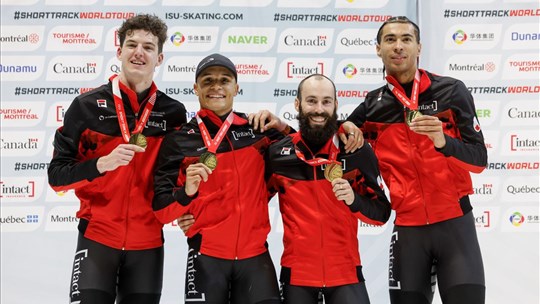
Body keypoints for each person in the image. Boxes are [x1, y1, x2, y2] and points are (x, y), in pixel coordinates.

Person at [347, 16, 487, 304]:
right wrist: (343, 127)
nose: (398, 46)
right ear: (378, 49)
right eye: (390, 40)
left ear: (419, 47)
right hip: (409, 231)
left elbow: (479, 160)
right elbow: (328, 143)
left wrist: (444, 143)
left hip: (455, 224)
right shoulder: (372, 107)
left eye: (406, 39)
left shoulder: (451, 91)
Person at [47, 14, 187, 304]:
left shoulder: (174, 113)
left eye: (148, 47)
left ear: (159, 57)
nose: (139, 52)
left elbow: (179, 175)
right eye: (132, 44)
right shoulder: (85, 107)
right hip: (97, 239)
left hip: (147, 243)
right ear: (119, 51)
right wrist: (101, 164)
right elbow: (56, 175)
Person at [265, 74, 391, 304]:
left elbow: (382, 214)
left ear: (335, 105)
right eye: (311, 101)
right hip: (297, 279)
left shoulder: (355, 150)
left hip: (346, 275)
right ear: (297, 104)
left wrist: (355, 200)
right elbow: (248, 201)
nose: (319, 109)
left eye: (326, 102)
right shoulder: (278, 155)